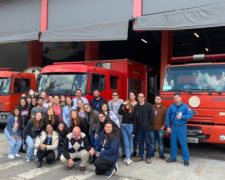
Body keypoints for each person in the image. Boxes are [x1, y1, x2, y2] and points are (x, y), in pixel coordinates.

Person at [165, 93, 193, 166]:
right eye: (174, 98)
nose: (176, 99)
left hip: (182, 127)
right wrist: (168, 126)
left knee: (183, 144)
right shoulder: (171, 107)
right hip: (173, 127)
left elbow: (190, 115)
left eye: (177, 97)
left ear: (180, 98)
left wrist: (182, 116)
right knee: (173, 143)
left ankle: (186, 159)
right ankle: (173, 157)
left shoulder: (185, 107)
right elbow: (167, 117)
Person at [133, 93, 154, 164]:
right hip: (139, 129)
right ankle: (140, 156)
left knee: (148, 142)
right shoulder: (136, 107)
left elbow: (152, 117)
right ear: (138, 98)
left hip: (147, 128)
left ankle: (148, 157)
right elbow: (135, 119)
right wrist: (135, 129)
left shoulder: (149, 106)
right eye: (139, 97)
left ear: (144, 98)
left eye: (142, 97)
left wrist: (149, 125)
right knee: (140, 142)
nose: (140, 98)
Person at [118, 99, 135, 165]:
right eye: (125, 105)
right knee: (126, 143)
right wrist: (122, 104)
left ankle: (128, 158)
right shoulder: (123, 111)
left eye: (127, 104)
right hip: (123, 127)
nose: (126, 105)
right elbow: (119, 111)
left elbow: (135, 122)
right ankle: (128, 158)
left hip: (130, 127)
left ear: (130, 104)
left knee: (130, 143)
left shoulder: (133, 111)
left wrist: (134, 132)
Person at [150, 95, 167, 159]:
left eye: (159, 99)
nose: (157, 100)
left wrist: (164, 125)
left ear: (161, 100)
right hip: (152, 128)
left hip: (161, 128)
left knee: (161, 143)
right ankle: (152, 154)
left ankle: (161, 155)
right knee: (152, 142)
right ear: (154, 100)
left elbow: (166, 118)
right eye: (156, 99)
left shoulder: (164, 108)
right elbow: (148, 117)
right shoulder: (151, 107)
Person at [129, 91, 138, 157]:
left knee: (134, 138)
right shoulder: (127, 103)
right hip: (128, 122)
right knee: (129, 138)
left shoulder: (137, 104)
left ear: (135, 96)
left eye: (132, 95)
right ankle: (130, 151)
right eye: (130, 95)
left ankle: (134, 150)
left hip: (135, 123)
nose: (131, 96)